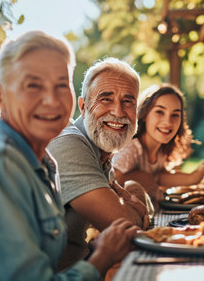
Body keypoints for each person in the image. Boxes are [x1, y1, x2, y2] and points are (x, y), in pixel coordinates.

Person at [0, 31, 138, 280]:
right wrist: (102, 257)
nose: (51, 100)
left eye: (61, 84)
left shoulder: (42, 159)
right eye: (33, 85)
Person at [47, 57, 150, 271]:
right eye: (106, 99)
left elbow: (126, 207)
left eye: (128, 101)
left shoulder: (101, 151)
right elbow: (126, 227)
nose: (119, 112)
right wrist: (134, 206)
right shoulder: (69, 144)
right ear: (83, 107)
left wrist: (131, 194)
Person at [112, 83, 204, 205]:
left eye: (175, 115)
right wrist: (147, 178)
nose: (168, 121)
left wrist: (201, 171)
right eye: (160, 112)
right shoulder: (131, 149)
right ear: (144, 115)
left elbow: (162, 178)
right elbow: (111, 181)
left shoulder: (160, 152)